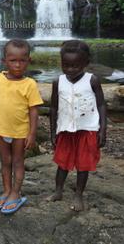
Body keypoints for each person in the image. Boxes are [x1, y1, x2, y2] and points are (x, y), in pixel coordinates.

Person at [0, 39, 43, 214]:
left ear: (29, 61)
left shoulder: (30, 84)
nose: (18, 65)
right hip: (0, 129)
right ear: (4, 61)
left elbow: (34, 111)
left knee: (18, 161)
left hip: (20, 132)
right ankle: (6, 190)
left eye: (22, 60)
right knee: (5, 162)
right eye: (13, 60)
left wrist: (32, 134)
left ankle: (16, 192)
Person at [47, 40, 106, 211]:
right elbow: (54, 107)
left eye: (76, 66)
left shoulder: (92, 80)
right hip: (65, 129)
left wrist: (102, 130)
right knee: (62, 163)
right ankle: (58, 191)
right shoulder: (58, 81)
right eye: (66, 65)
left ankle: (79, 195)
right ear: (61, 63)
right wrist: (53, 132)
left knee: (83, 164)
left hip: (87, 129)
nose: (70, 70)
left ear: (86, 63)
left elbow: (102, 105)